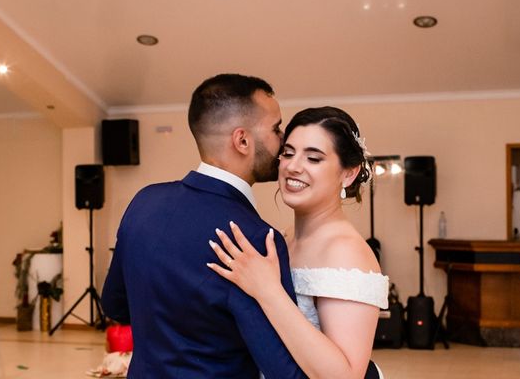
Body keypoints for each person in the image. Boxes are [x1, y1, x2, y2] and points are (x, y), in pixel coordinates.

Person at [101, 73, 307, 378]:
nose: (283, 139)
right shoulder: (256, 238)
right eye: (276, 128)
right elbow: (282, 369)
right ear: (242, 140)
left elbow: (114, 305)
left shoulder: (143, 202)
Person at [208, 106, 389, 379]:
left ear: (349, 173)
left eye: (314, 158)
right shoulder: (284, 237)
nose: (293, 166)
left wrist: (268, 291)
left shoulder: (345, 252)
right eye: (288, 153)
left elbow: (346, 375)